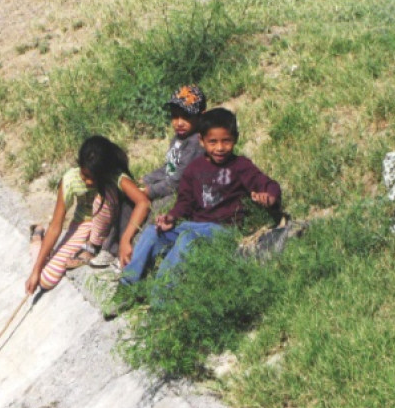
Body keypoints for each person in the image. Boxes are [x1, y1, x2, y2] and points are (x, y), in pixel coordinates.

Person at [120, 107, 282, 285]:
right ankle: (128, 285)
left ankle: (162, 296)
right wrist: (171, 217)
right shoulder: (194, 169)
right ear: (202, 141)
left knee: (188, 239)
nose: (220, 148)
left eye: (226, 141)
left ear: (235, 139)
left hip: (223, 229)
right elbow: (184, 202)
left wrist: (269, 197)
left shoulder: (240, 166)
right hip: (194, 225)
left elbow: (267, 184)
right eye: (213, 142)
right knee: (152, 232)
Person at [91, 84, 207, 268]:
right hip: (167, 185)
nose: (179, 122)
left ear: (201, 116)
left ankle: (134, 256)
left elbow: (178, 181)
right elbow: (168, 168)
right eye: (174, 116)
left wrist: (150, 191)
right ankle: (113, 249)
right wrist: (147, 179)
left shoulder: (195, 144)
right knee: (127, 200)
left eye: (186, 117)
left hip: (179, 193)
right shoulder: (178, 139)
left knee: (154, 212)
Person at [26, 136, 150, 294]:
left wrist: (126, 239)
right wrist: (36, 270)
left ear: (104, 173)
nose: (86, 181)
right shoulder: (70, 180)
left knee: (104, 196)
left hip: (108, 226)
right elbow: (56, 226)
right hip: (83, 225)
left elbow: (143, 203)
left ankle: (92, 248)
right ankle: (37, 238)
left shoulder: (114, 177)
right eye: (83, 175)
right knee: (45, 279)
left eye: (91, 178)